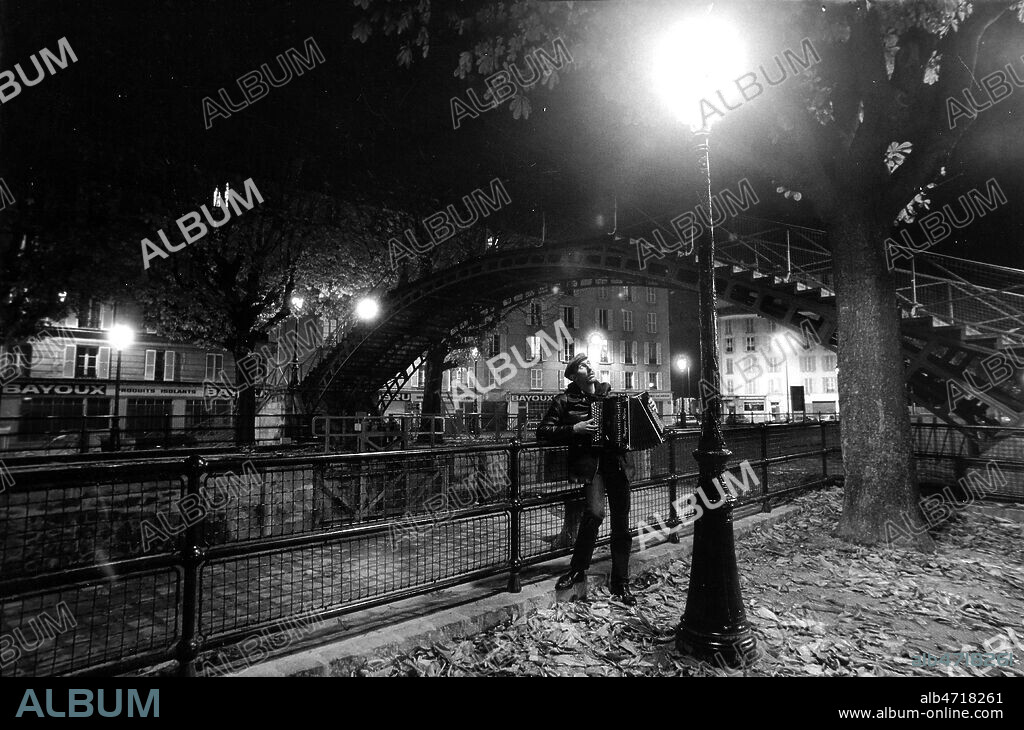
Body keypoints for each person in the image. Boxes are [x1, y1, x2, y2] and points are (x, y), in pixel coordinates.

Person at [537, 353, 637, 606]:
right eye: (582, 366)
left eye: (590, 364)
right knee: (594, 513)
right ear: (572, 375)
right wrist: (574, 430)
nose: (590, 368)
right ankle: (578, 569)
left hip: (617, 464)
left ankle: (621, 582)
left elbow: (630, 428)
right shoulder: (564, 401)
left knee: (621, 524)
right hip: (592, 467)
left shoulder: (612, 397)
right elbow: (543, 431)